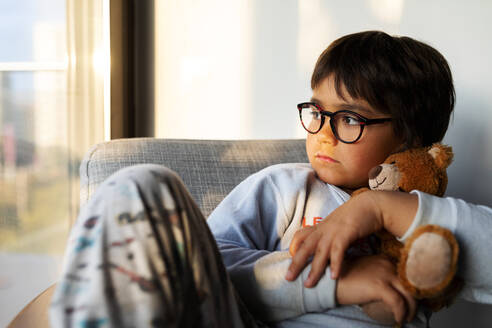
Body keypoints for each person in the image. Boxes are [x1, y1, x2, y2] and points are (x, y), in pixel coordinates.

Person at [49, 31, 491, 328]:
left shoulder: (420, 217)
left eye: (350, 118)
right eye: (317, 112)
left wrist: (377, 207)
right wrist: (337, 284)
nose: (321, 132)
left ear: (409, 136)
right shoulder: (286, 188)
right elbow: (208, 271)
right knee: (142, 184)